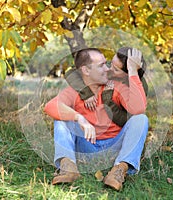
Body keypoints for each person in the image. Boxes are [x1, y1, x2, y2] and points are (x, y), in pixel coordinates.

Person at [43, 47, 148, 191]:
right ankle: (68, 167)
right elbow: (50, 106)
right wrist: (79, 118)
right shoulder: (75, 90)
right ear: (86, 70)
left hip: (115, 149)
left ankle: (119, 170)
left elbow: (138, 109)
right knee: (61, 119)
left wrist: (133, 71)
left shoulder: (114, 86)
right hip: (87, 148)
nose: (107, 69)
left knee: (141, 119)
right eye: (102, 65)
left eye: (107, 63)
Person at [64, 46, 149, 127]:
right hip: (93, 124)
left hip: (119, 131)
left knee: (141, 119)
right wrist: (86, 93)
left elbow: (127, 119)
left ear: (127, 75)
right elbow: (71, 73)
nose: (108, 69)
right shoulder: (109, 69)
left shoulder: (139, 86)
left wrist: (108, 101)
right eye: (111, 63)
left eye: (115, 69)